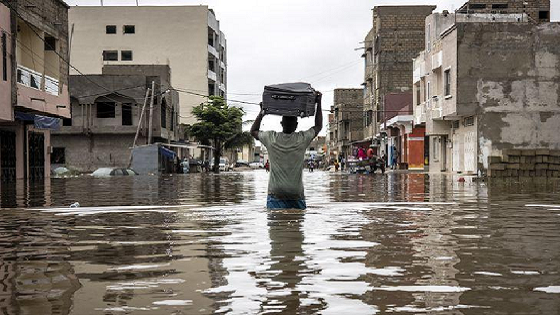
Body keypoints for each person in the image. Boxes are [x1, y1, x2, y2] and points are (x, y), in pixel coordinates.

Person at [251, 92, 323, 210]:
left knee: (276, 226)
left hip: (276, 193)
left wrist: (262, 112)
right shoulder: (302, 139)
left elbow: (253, 131)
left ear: (281, 124)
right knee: (296, 225)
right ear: (296, 125)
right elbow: (318, 126)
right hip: (296, 193)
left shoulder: (271, 138)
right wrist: (318, 103)